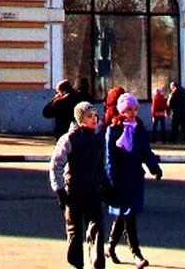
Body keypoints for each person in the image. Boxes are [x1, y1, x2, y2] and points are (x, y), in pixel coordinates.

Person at [105, 92, 163, 269]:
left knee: (124, 215)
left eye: (135, 109)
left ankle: (110, 246)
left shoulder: (140, 129)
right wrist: (110, 181)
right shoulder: (113, 130)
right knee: (128, 216)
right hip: (119, 179)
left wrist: (155, 167)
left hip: (135, 179)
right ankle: (137, 254)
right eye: (129, 109)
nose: (133, 113)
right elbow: (109, 158)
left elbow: (146, 152)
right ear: (121, 111)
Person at [50, 101, 109, 269]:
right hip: (74, 191)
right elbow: (56, 164)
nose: (94, 119)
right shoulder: (69, 138)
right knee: (74, 230)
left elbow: (101, 165)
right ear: (80, 119)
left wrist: (106, 185)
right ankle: (76, 264)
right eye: (89, 116)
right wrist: (60, 189)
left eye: (95, 116)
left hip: (93, 190)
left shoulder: (98, 138)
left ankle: (98, 263)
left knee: (97, 227)